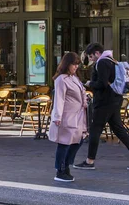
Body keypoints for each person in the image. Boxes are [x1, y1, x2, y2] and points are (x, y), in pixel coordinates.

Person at [74, 42, 129, 171]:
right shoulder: (113, 61)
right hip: (115, 99)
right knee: (118, 129)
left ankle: (90, 161)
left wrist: (90, 83)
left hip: (104, 102)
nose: (90, 59)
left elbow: (102, 84)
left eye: (91, 56)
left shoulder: (102, 63)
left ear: (97, 53)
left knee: (95, 130)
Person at [49, 52, 87, 182]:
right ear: (67, 64)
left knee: (77, 140)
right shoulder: (61, 79)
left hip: (78, 116)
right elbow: (59, 99)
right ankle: (61, 169)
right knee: (65, 143)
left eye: (77, 64)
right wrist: (57, 117)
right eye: (74, 64)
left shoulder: (74, 77)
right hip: (67, 116)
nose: (76, 67)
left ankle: (65, 165)